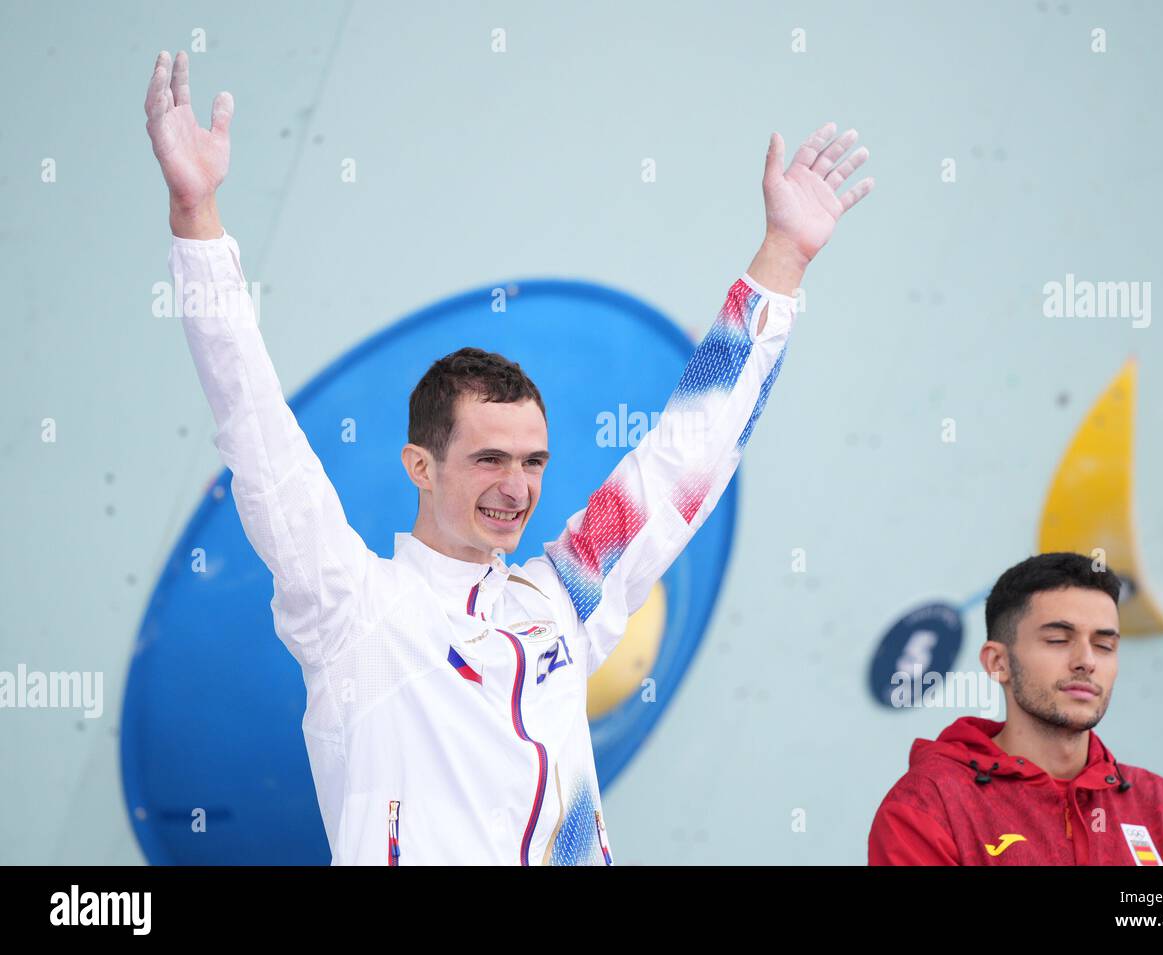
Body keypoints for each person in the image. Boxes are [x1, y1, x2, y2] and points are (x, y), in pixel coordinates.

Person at [143, 49, 873, 865]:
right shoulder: (351, 606)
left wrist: (783, 259)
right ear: (421, 466)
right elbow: (256, 427)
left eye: (533, 462)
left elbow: (684, 457)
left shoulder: (561, 595)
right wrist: (196, 213)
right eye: (490, 459)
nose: (517, 486)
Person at [868, 552, 1163, 865]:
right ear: (998, 662)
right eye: (1057, 640)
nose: (1086, 661)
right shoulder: (927, 808)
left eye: (1103, 645)